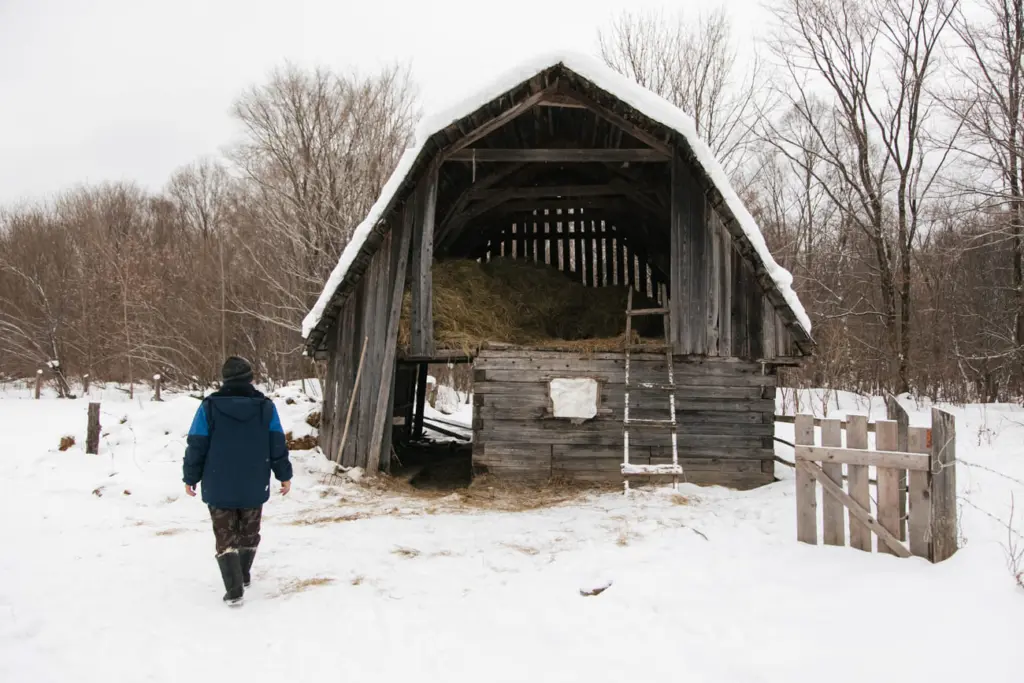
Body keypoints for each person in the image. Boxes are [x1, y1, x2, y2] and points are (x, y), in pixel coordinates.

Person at [182, 356, 292, 606]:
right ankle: (243, 574)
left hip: (217, 481)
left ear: (224, 380)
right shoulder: (265, 407)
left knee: (225, 533)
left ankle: (234, 589)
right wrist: (283, 474)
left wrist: (190, 476)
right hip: (254, 480)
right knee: (249, 531)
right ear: (251, 378)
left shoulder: (209, 407)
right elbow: (277, 443)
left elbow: (197, 444)